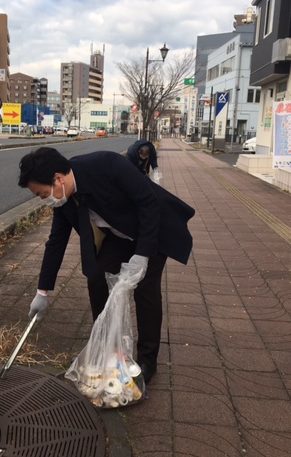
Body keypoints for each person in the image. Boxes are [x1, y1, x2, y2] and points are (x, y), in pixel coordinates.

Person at [18, 147, 195, 384]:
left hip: (151, 231)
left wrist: (143, 255)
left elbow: (148, 202)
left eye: (42, 194)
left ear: (58, 179)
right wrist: (42, 292)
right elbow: (56, 243)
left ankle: (147, 361)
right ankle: (106, 348)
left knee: (145, 289)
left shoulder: (107, 164)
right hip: (119, 236)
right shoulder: (64, 200)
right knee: (96, 277)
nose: (45, 200)